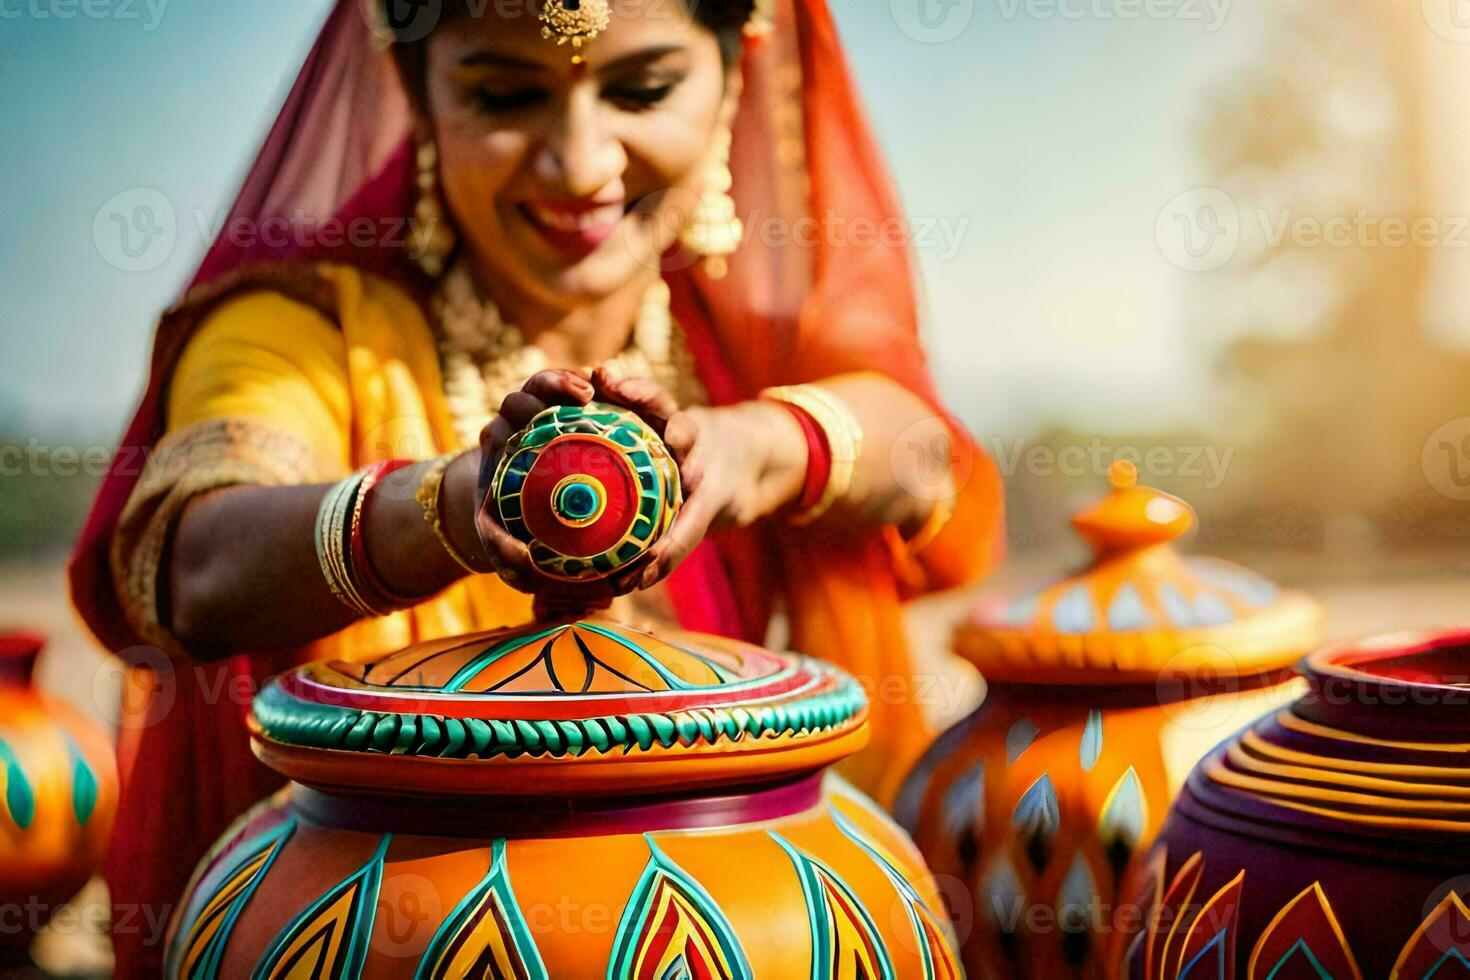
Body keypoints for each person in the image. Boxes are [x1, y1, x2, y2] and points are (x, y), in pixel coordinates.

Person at [69, 0, 1004, 974]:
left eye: (643, 89)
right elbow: (185, 564)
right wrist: (449, 507)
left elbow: (921, 457)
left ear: (736, 75)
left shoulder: (744, 342)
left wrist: (751, 447)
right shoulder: (298, 335)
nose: (582, 164)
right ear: (418, 98)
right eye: (507, 94)